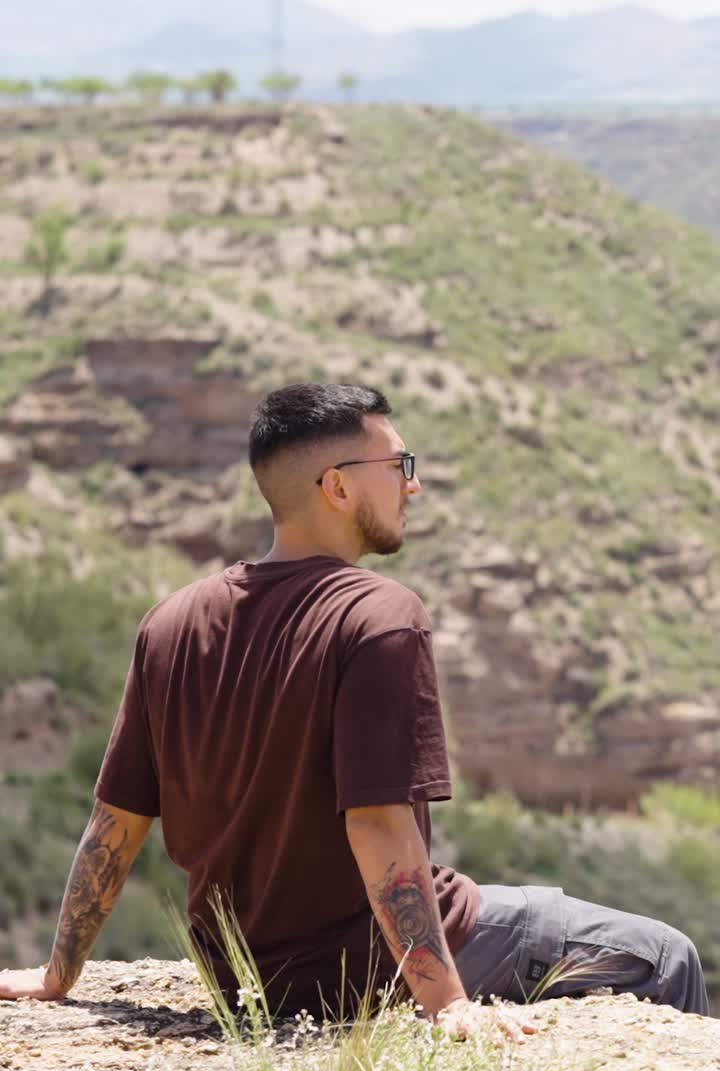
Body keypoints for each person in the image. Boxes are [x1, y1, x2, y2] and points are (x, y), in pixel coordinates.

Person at [0, 384, 709, 1032]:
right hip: (366, 969)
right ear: (337, 486)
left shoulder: (171, 623)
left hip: (246, 979)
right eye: (399, 466)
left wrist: (58, 975)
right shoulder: (379, 616)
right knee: (663, 955)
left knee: (524, 907)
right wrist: (448, 1004)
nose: (413, 485)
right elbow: (375, 821)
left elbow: (115, 823)